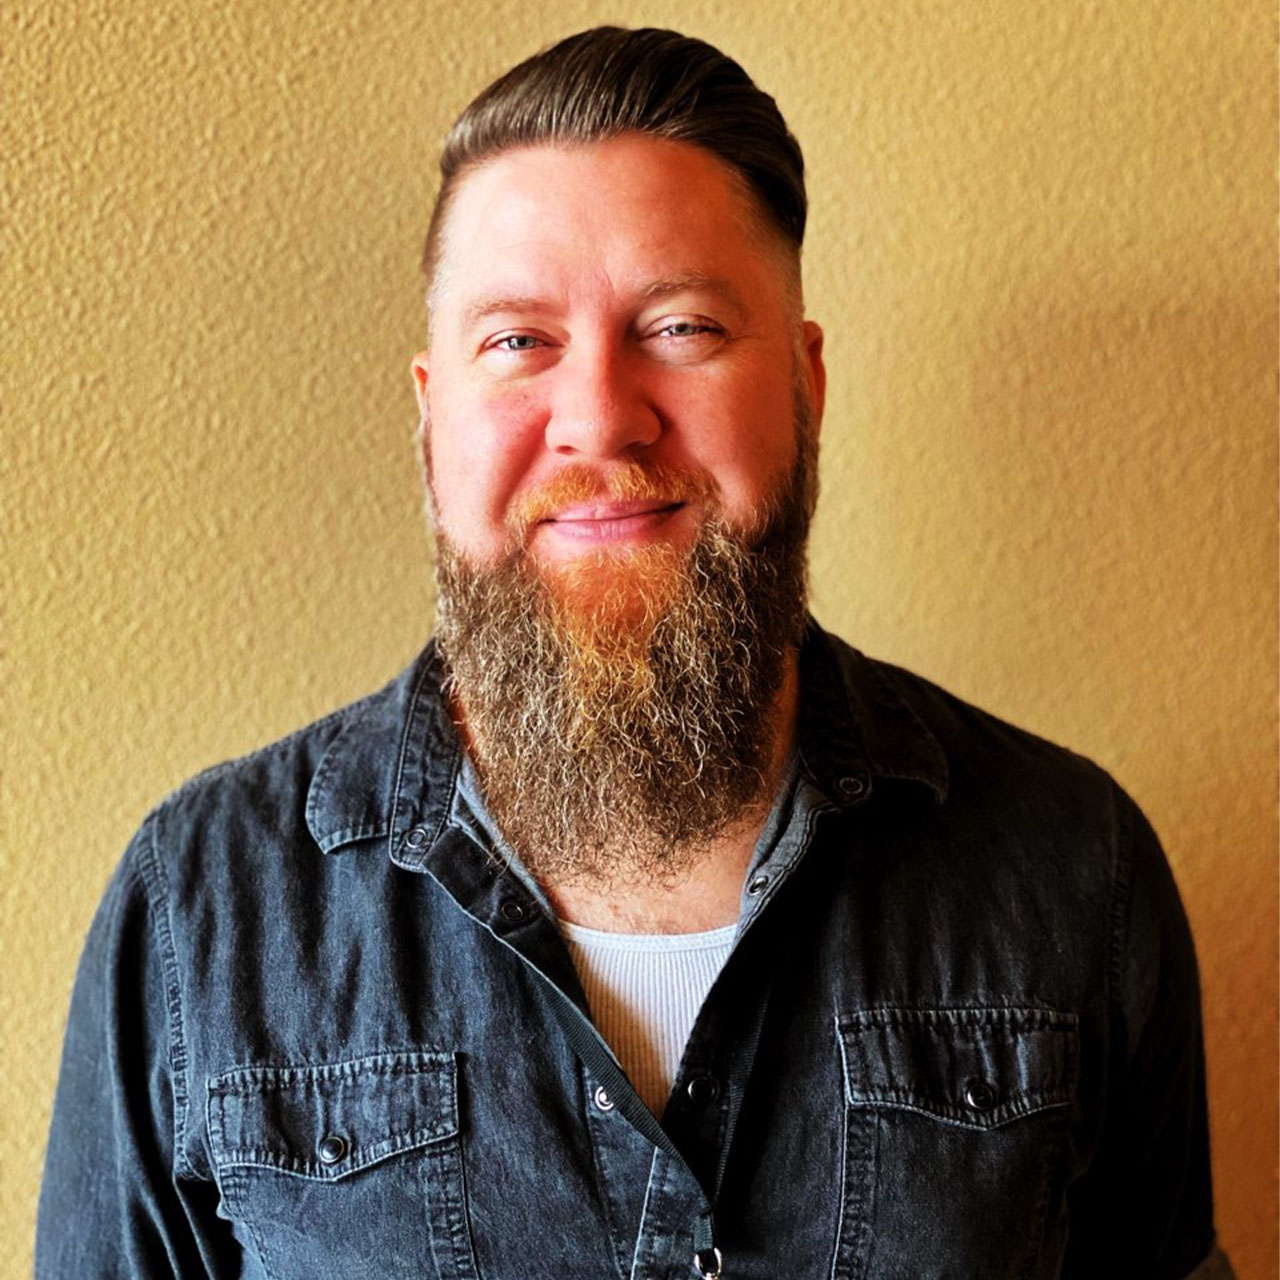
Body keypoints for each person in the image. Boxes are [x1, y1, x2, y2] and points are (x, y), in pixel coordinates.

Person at [37, 26, 1232, 1280]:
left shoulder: (1072, 872)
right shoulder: (196, 912)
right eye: (518, 341)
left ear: (804, 387)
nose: (600, 412)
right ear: (431, 409)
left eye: (682, 326)